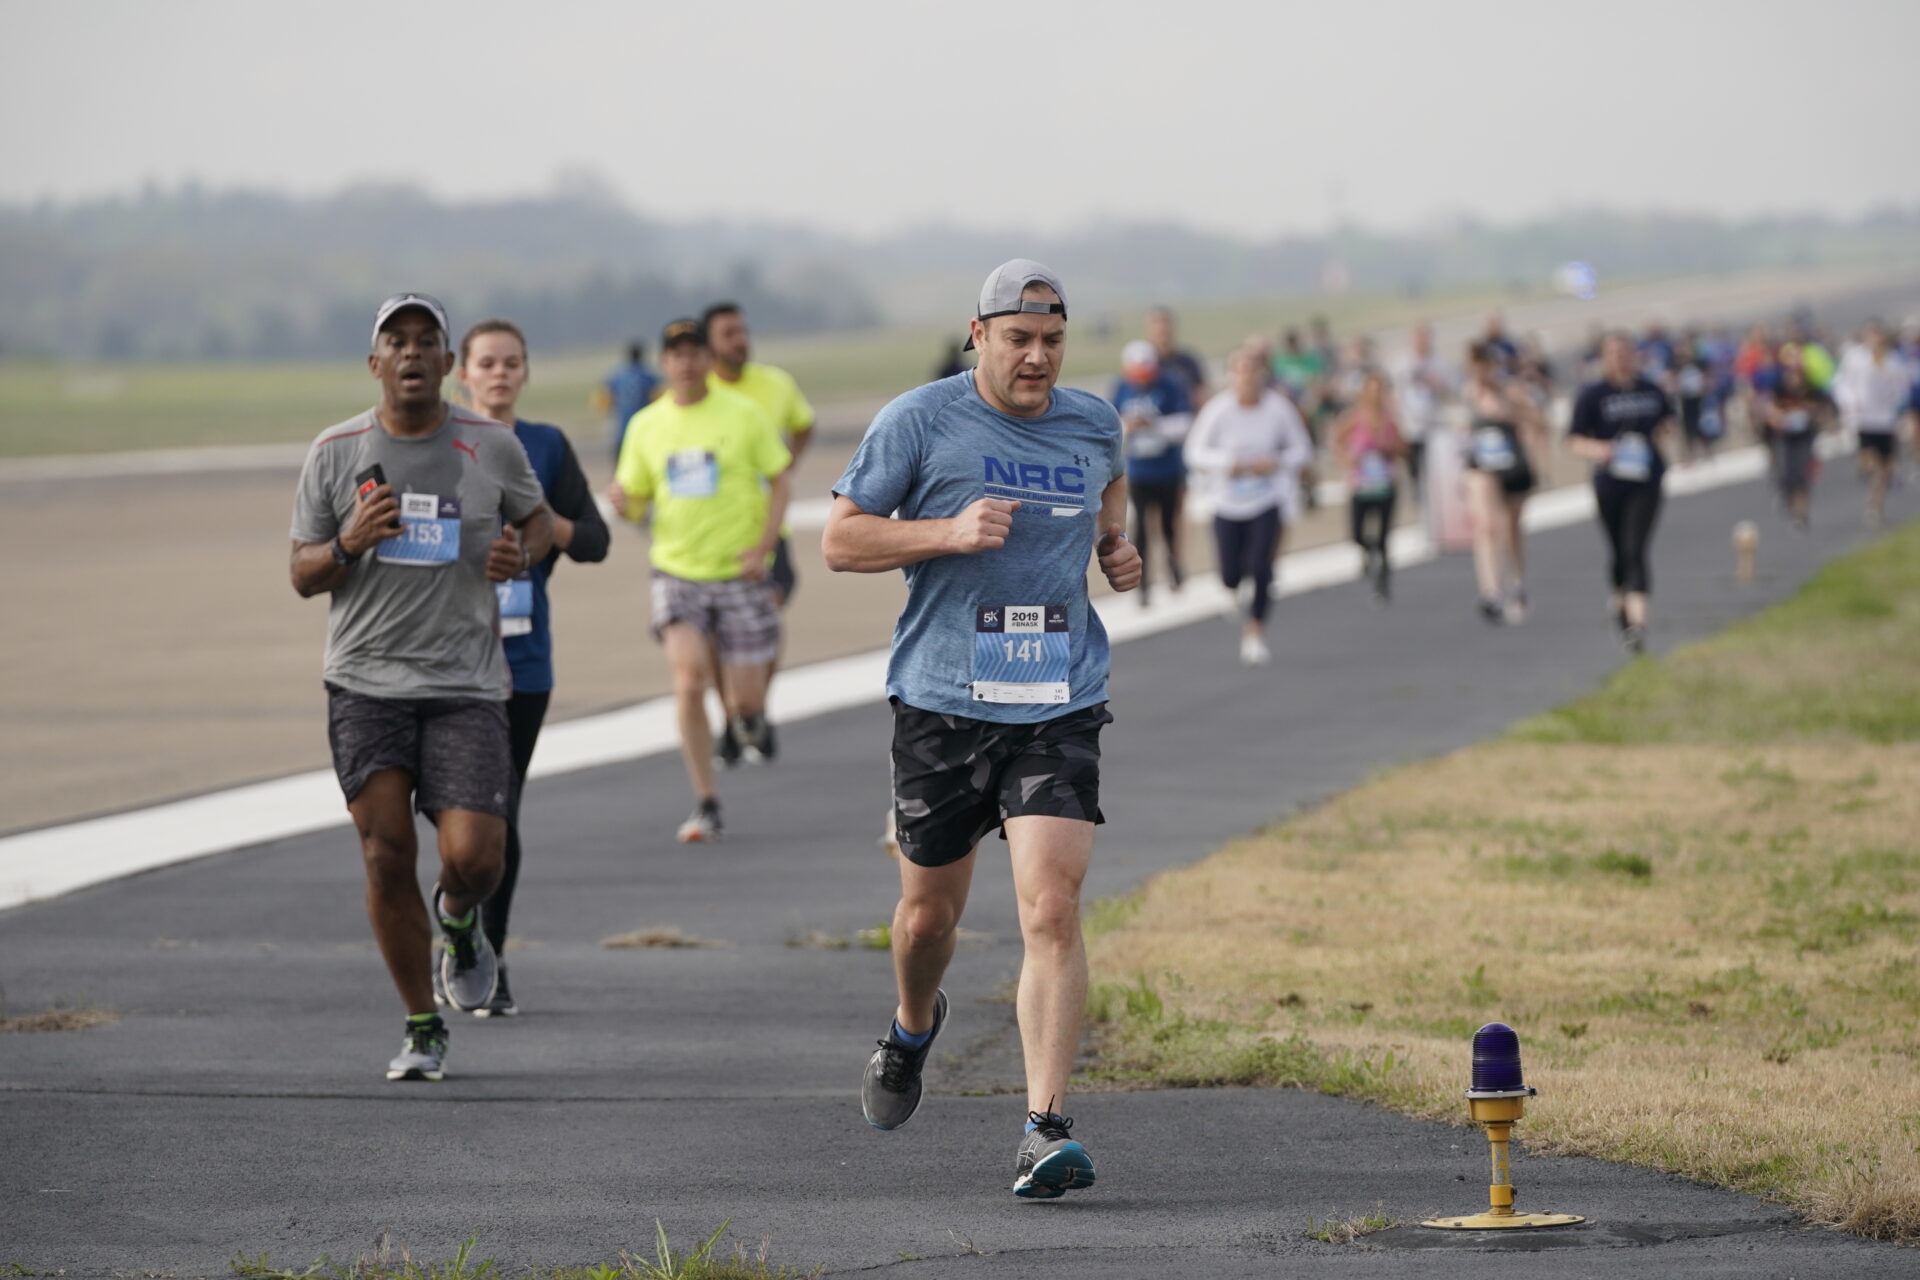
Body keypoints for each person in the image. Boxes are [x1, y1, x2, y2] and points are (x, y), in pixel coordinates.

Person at [823, 259, 1141, 1199]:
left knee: (1052, 908)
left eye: (1052, 341)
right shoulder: (919, 420)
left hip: (1058, 699)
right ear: (980, 336)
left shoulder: (1094, 421)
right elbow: (841, 539)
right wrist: (947, 533)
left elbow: (1110, 488)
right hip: (942, 702)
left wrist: (1115, 545)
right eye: (1019, 339)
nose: (1037, 357)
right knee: (929, 918)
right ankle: (913, 1026)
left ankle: (1046, 1129)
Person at [288, 293, 553, 1081]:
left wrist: (520, 553)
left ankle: (459, 920)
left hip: (466, 681)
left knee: (476, 857)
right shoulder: (335, 451)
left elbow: (537, 521)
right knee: (385, 851)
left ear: (447, 362)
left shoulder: (491, 445)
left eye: (424, 340)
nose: (410, 353)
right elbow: (302, 572)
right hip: (365, 681)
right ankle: (422, 1023)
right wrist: (347, 543)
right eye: (395, 341)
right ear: (375, 362)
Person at [454, 319, 610, 1017]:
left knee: (499, 811)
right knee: (451, 816)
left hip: (522, 658)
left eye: (511, 363)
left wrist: (544, 523)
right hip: (443, 654)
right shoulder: (439, 442)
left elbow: (596, 540)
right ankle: (456, 918)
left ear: (525, 372)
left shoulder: (545, 446)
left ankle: (489, 955)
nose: (499, 374)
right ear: (462, 373)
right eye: (487, 363)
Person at [608, 318, 791, 842]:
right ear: (663, 363)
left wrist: (764, 547)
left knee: (745, 701)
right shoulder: (646, 425)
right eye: (676, 354)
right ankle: (706, 800)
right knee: (688, 681)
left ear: (708, 360)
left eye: (694, 353)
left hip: (738, 570)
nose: (685, 363)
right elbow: (636, 499)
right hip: (677, 570)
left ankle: (747, 719)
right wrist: (623, 506)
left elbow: (779, 477)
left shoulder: (743, 413)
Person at [703, 302, 816, 765]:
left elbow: (803, 426)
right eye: (729, 333)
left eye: (743, 331)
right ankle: (731, 713)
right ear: (709, 344)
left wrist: (784, 468)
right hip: (717, 535)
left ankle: (756, 708)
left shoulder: (775, 383)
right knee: (716, 633)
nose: (740, 340)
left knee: (766, 620)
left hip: (770, 529)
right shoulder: (702, 393)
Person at [1185, 346, 1313, 664]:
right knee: (1230, 574)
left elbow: (1302, 449)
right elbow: (1194, 452)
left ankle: (1255, 631)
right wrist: (1228, 463)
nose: (1247, 377)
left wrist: (1276, 461)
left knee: (1261, 567)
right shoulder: (1218, 410)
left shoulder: (1278, 409)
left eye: (1253, 370)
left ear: (1262, 374)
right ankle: (1233, 589)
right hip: (1227, 502)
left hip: (1267, 500)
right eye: (1240, 370)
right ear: (1231, 375)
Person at [1567, 332, 1674, 654]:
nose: (1620, 358)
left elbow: (1669, 420)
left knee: (1635, 548)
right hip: (1610, 482)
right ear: (1604, 358)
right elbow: (1573, 439)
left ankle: (1637, 625)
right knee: (1617, 551)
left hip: (1645, 480)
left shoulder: (1650, 390)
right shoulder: (1593, 395)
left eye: (1625, 351)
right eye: (1613, 353)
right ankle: (1620, 600)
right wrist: (1598, 449)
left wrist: (1664, 432)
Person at [1460, 340, 1548, 624]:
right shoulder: (1468, 393)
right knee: (1485, 526)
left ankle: (1517, 582)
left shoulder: (1511, 392)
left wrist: (1511, 414)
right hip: (1482, 466)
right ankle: (1490, 591)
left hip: (1512, 463)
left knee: (1511, 528)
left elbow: (1539, 422)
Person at [1111, 339, 1193, 606]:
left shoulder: (1170, 384)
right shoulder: (1122, 387)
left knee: (1169, 526)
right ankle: (1144, 585)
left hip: (1168, 471)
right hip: (1139, 473)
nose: (1142, 382)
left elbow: (1184, 423)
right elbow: (1111, 426)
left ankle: (1174, 570)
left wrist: (1154, 424)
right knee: (1141, 530)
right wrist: (1129, 426)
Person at [1332, 371, 1406, 603]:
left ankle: (1382, 584)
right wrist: (1348, 459)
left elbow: (1402, 449)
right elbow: (1337, 443)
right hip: (1362, 485)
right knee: (1357, 534)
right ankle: (1368, 551)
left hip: (1385, 485)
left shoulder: (1389, 420)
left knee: (1384, 537)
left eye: (1380, 391)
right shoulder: (1354, 418)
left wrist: (1388, 448)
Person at [1832, 320, 1913, 527]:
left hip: (1885, 420)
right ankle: (1865, 468)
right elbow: (1842, 384)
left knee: (1885, 468)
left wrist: (1898, 409)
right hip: (1864, 420)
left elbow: (1901, 388)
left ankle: (1875, 505)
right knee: (1872, 462)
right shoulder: (1854, 357)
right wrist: (1849, 406)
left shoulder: (1892, 360)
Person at [1763, 360, 1836, 531]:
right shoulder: (1780, 391)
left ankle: (1801, 513)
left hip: (1804, 438)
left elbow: (1822, 411)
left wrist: (1813, 414)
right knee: (1785, 473)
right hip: (1785, 438)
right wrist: (1778, 419)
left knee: (1802, 475)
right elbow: (1771, 413)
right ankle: (1787, 500)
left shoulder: (1810, 392)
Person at [1392, 322, 1452, 500]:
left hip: (1434, 425)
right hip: (1410, 426)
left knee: (1435, 470)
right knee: (1415, 470)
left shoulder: (1439, 362)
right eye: (1418, 337)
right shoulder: (1401, 363)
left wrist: (1435, 383)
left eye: (1424, 337)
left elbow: (1450, 391)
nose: (1421, 341)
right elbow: (1394, 395)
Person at [597, 342, 661, 465]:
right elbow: (659, 400)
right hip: (646, 430)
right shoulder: (649, 377)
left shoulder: (616, 377)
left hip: (622, 429)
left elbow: (602, 402)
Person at [1146, 305, 1209, 406]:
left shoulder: (1188, 362)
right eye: (1156, 323)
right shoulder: (1143, 364)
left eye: (1165, 322)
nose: (1161, 327)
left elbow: (1202, 393)